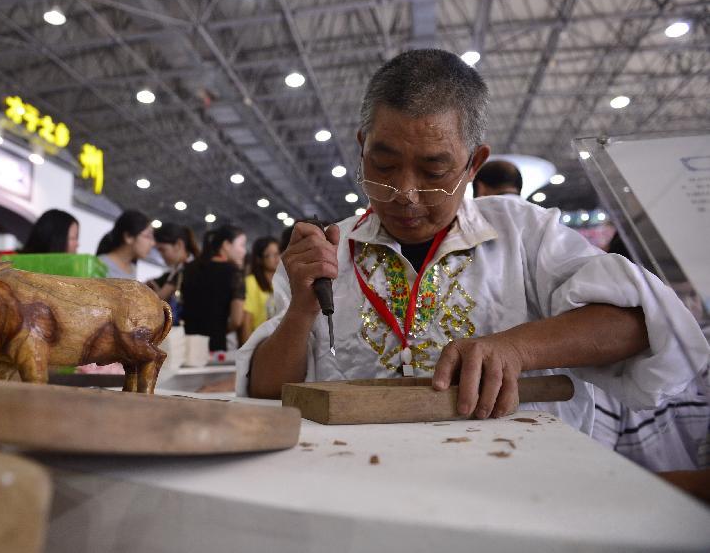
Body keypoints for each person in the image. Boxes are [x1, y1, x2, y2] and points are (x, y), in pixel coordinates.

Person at [237, 49, 709, 444]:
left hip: (516, 483)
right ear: (362, 146)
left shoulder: (524, 232)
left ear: (473, 163)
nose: (405, 193)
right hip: (362, 478)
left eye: (434, 171)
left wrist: (516, 349)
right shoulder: (325, 252)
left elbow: (640, 324)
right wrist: (300, 310)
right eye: (382, 165)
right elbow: (267, 395)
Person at [181, 225, 247, 352]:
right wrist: (220, 329)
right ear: (226, 245)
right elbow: (236, 320)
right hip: (216, 344)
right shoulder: (234, 272)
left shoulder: (190, 268)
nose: (244, 251)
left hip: (188, 343)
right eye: (242, 245)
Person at [149, 223, 200, 325]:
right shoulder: (178, 270)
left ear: (179, 245)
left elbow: (157, 300)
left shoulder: (186, 270)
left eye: (163, 250)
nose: (161, 255)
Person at [240, 237, 280, 343]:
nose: (277, 258)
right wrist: (248, 351)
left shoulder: (285, 282)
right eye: (271, 255)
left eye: (278, 253)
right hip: (260, 343)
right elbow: (247, 321)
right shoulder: (251, 282)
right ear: (259, 259)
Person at [95, 210, 154, 280]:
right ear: (128, 237)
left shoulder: (132, 268)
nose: (153, 243)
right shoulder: (100, 265)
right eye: (148, 236)